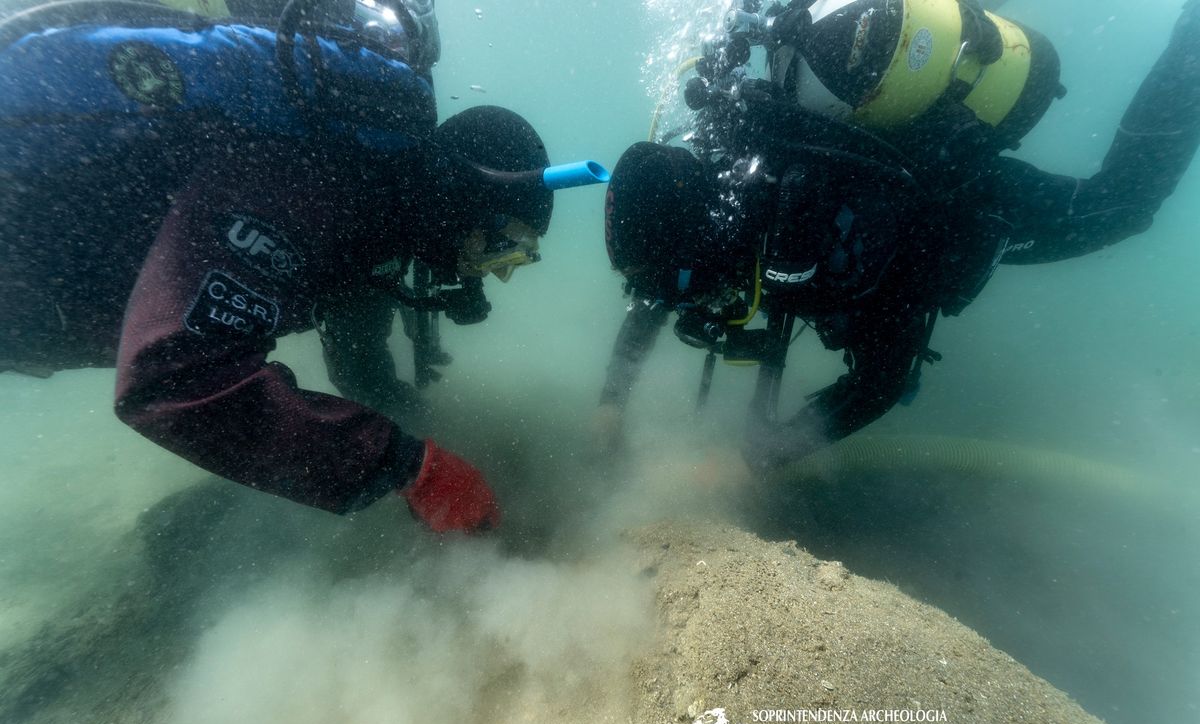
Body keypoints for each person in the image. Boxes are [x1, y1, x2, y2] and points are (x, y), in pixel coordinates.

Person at [0, 0, 599, 533]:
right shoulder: (320, 185)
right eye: (503, 248)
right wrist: (413, 467)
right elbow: (172, 380)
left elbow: (361, 364)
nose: (498, 272)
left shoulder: (374, 216)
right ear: (464, 201)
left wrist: (426, 429)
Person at [597, 0, 1200, 470]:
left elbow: (880, 383)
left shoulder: (837, 236)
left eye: (681, 287)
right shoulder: (722, 169)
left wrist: (749, 460)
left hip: (957, 202)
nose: (676, 304)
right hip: (900, 138)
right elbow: (657, 283)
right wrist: (610, 404)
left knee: (1122, 206)